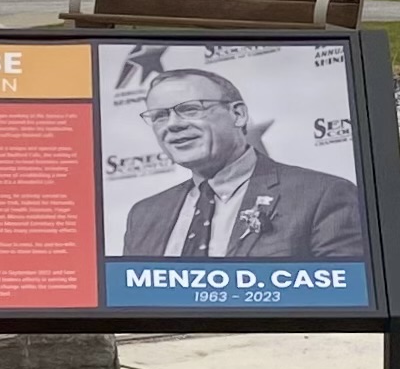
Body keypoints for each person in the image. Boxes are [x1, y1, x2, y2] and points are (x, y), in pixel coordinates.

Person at [120, 63, 363, 261]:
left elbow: (344, 296)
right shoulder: (144, 214)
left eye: (190, 109)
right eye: (160, 116)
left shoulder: (322, 195)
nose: (173, 124)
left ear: (238, 114)